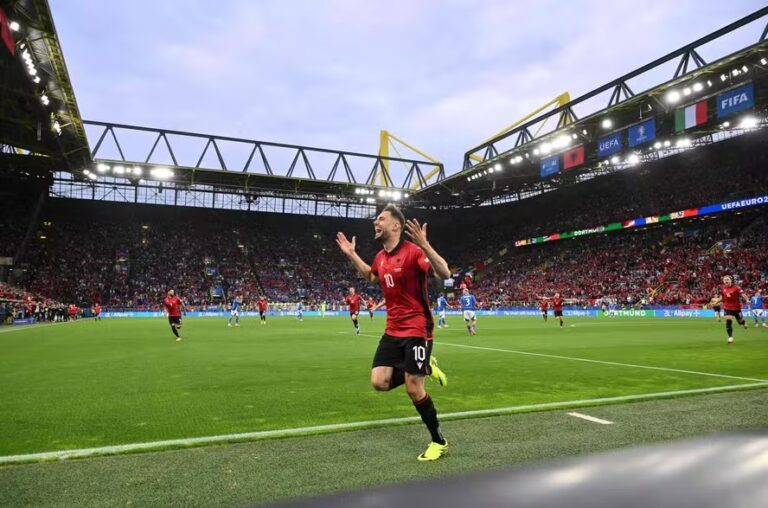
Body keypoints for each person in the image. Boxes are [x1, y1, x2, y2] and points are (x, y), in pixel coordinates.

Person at [336, 203, 450, 462]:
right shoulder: (380, 257)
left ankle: (439, 441)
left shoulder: (414, 252)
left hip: (417, 327)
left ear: (396, 225)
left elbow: (443, 272)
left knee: (413, 387)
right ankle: (425, 367)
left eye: (381, 219)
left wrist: (425, 245)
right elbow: (371, 277)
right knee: (379, 382)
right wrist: (352, 254)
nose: (375, 222)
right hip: (393, 329)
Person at [721, 276, 749, 344]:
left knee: (740, 322)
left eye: (727, 279)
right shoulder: (723, 288)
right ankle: (730, 337)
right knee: (728, 320)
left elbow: (743, 294)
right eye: (724, 280)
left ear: (731, 280)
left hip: (736, 308)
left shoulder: (736, 287)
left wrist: (747, 300)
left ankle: (744, 322)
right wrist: (716, 302)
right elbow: (723, 298)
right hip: (727, 307)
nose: (726, 281)